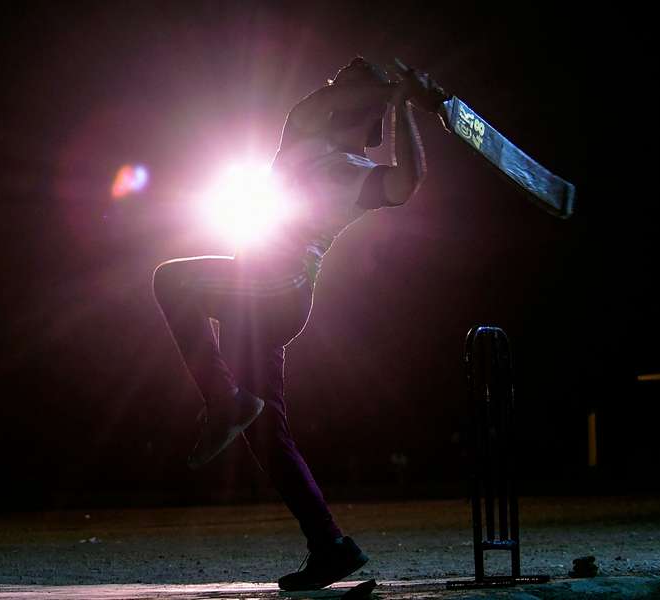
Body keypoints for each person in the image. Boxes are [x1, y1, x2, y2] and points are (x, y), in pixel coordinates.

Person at [152, 57, 443, 591]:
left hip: (274, 285)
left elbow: (408, 183)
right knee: (267, 435)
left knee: (171, 280)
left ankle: (223, 402)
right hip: (264, 301)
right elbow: (322, 103)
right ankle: (329, 546)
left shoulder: (357, 173)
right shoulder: (303, 131)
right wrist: (396, 91)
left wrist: (403, 105)